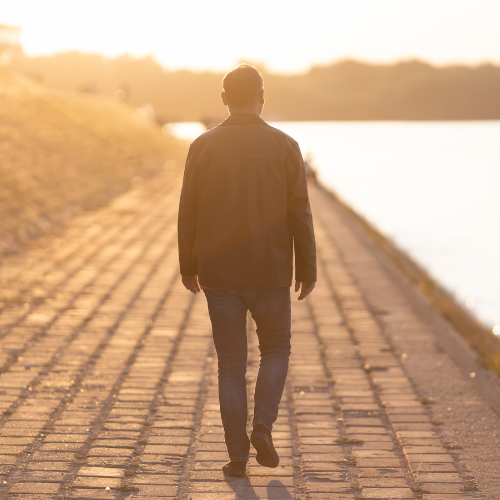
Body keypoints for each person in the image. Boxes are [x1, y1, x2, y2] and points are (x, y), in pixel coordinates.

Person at [178, 64, 316, 477]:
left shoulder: (202, 146)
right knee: (276, 351)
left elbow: (188, 213)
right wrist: (306, 267)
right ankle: (263, 427)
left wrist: (189, 266)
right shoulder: (286, 146)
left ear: (223, 99)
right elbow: (300, 213)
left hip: (220, 274)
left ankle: (237, 456)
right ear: (262, 96)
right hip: (271, 272)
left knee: (230, 366)